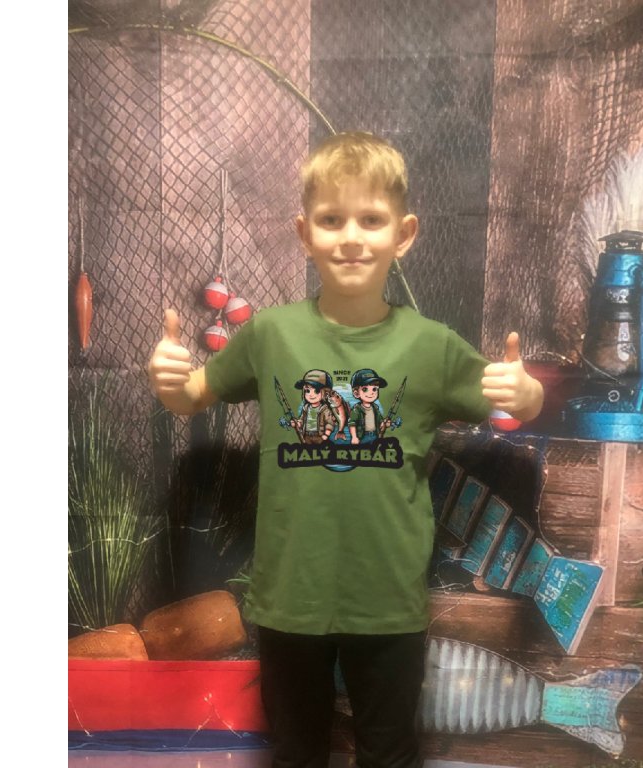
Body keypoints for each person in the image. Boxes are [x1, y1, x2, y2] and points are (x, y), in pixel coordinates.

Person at [147, 131, 543, 768]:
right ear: (304, 233)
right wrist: (171, 379)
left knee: (389, 754)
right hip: (290, 599)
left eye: (371, 220)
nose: (352, 237)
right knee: (296, 754)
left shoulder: (430, 345)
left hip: (388, 603)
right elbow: (192, 395)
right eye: (332, 220)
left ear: (403, 234)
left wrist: (526, 393)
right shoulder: (271, 334)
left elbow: (512, 407)